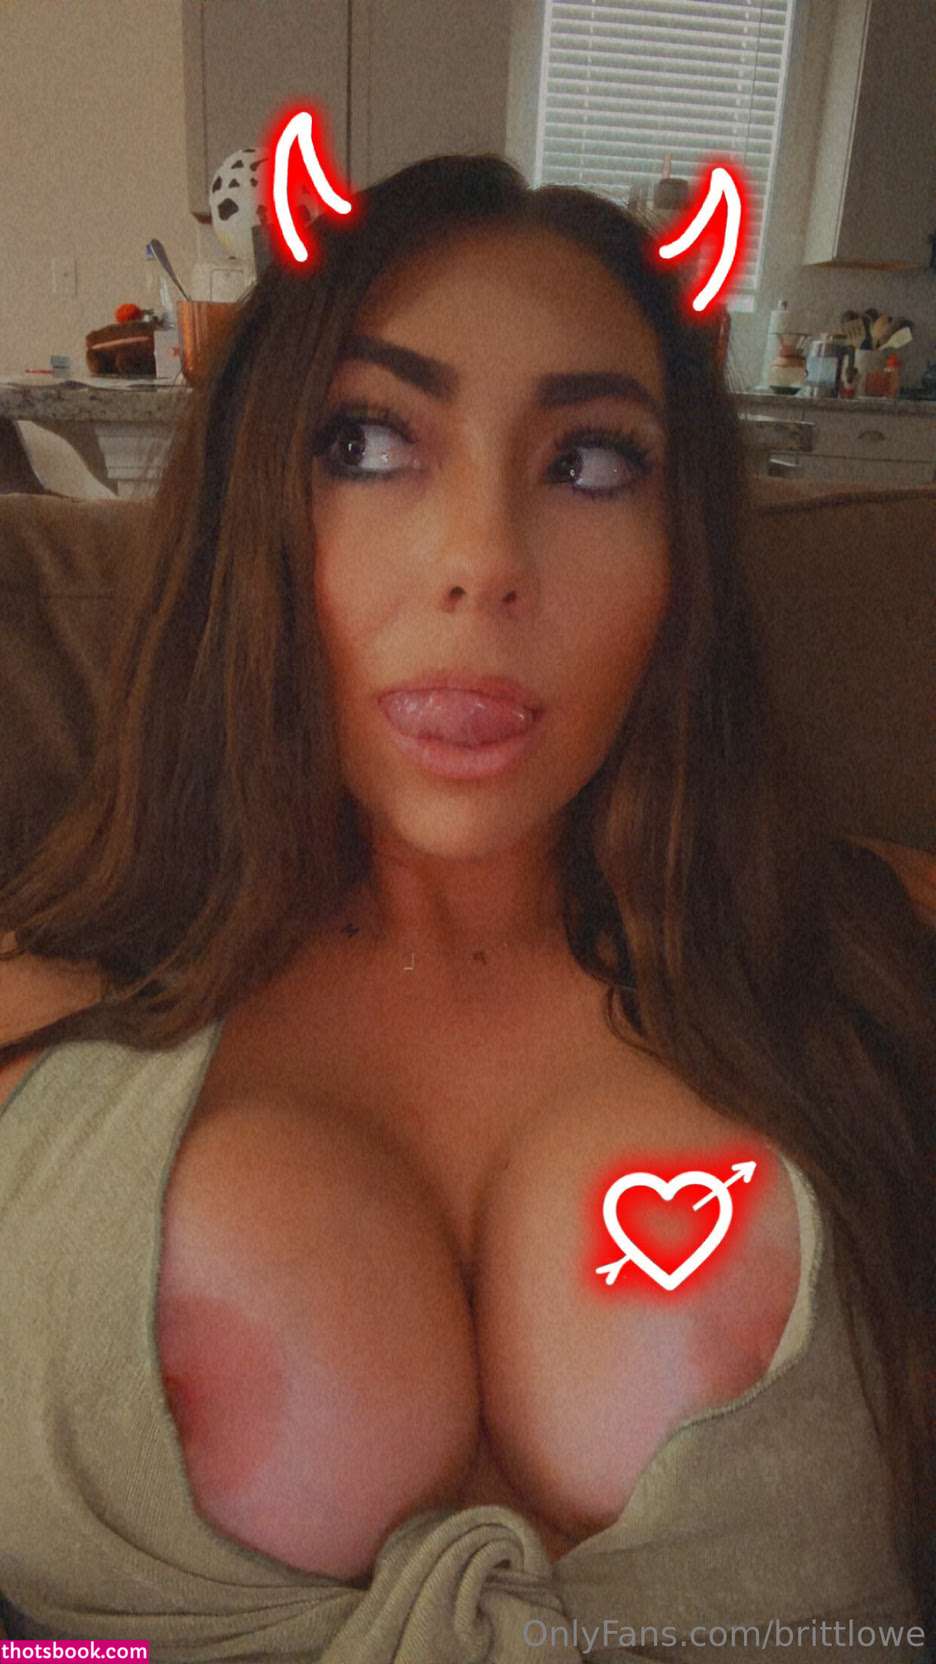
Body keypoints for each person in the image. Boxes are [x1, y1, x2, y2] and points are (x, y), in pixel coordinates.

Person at [0, 153, 932, 1662]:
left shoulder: (876, 957)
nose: (484, 565)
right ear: (248, 512)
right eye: (365, 442)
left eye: (591, 463)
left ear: (685, 559)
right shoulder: (29, 1022)